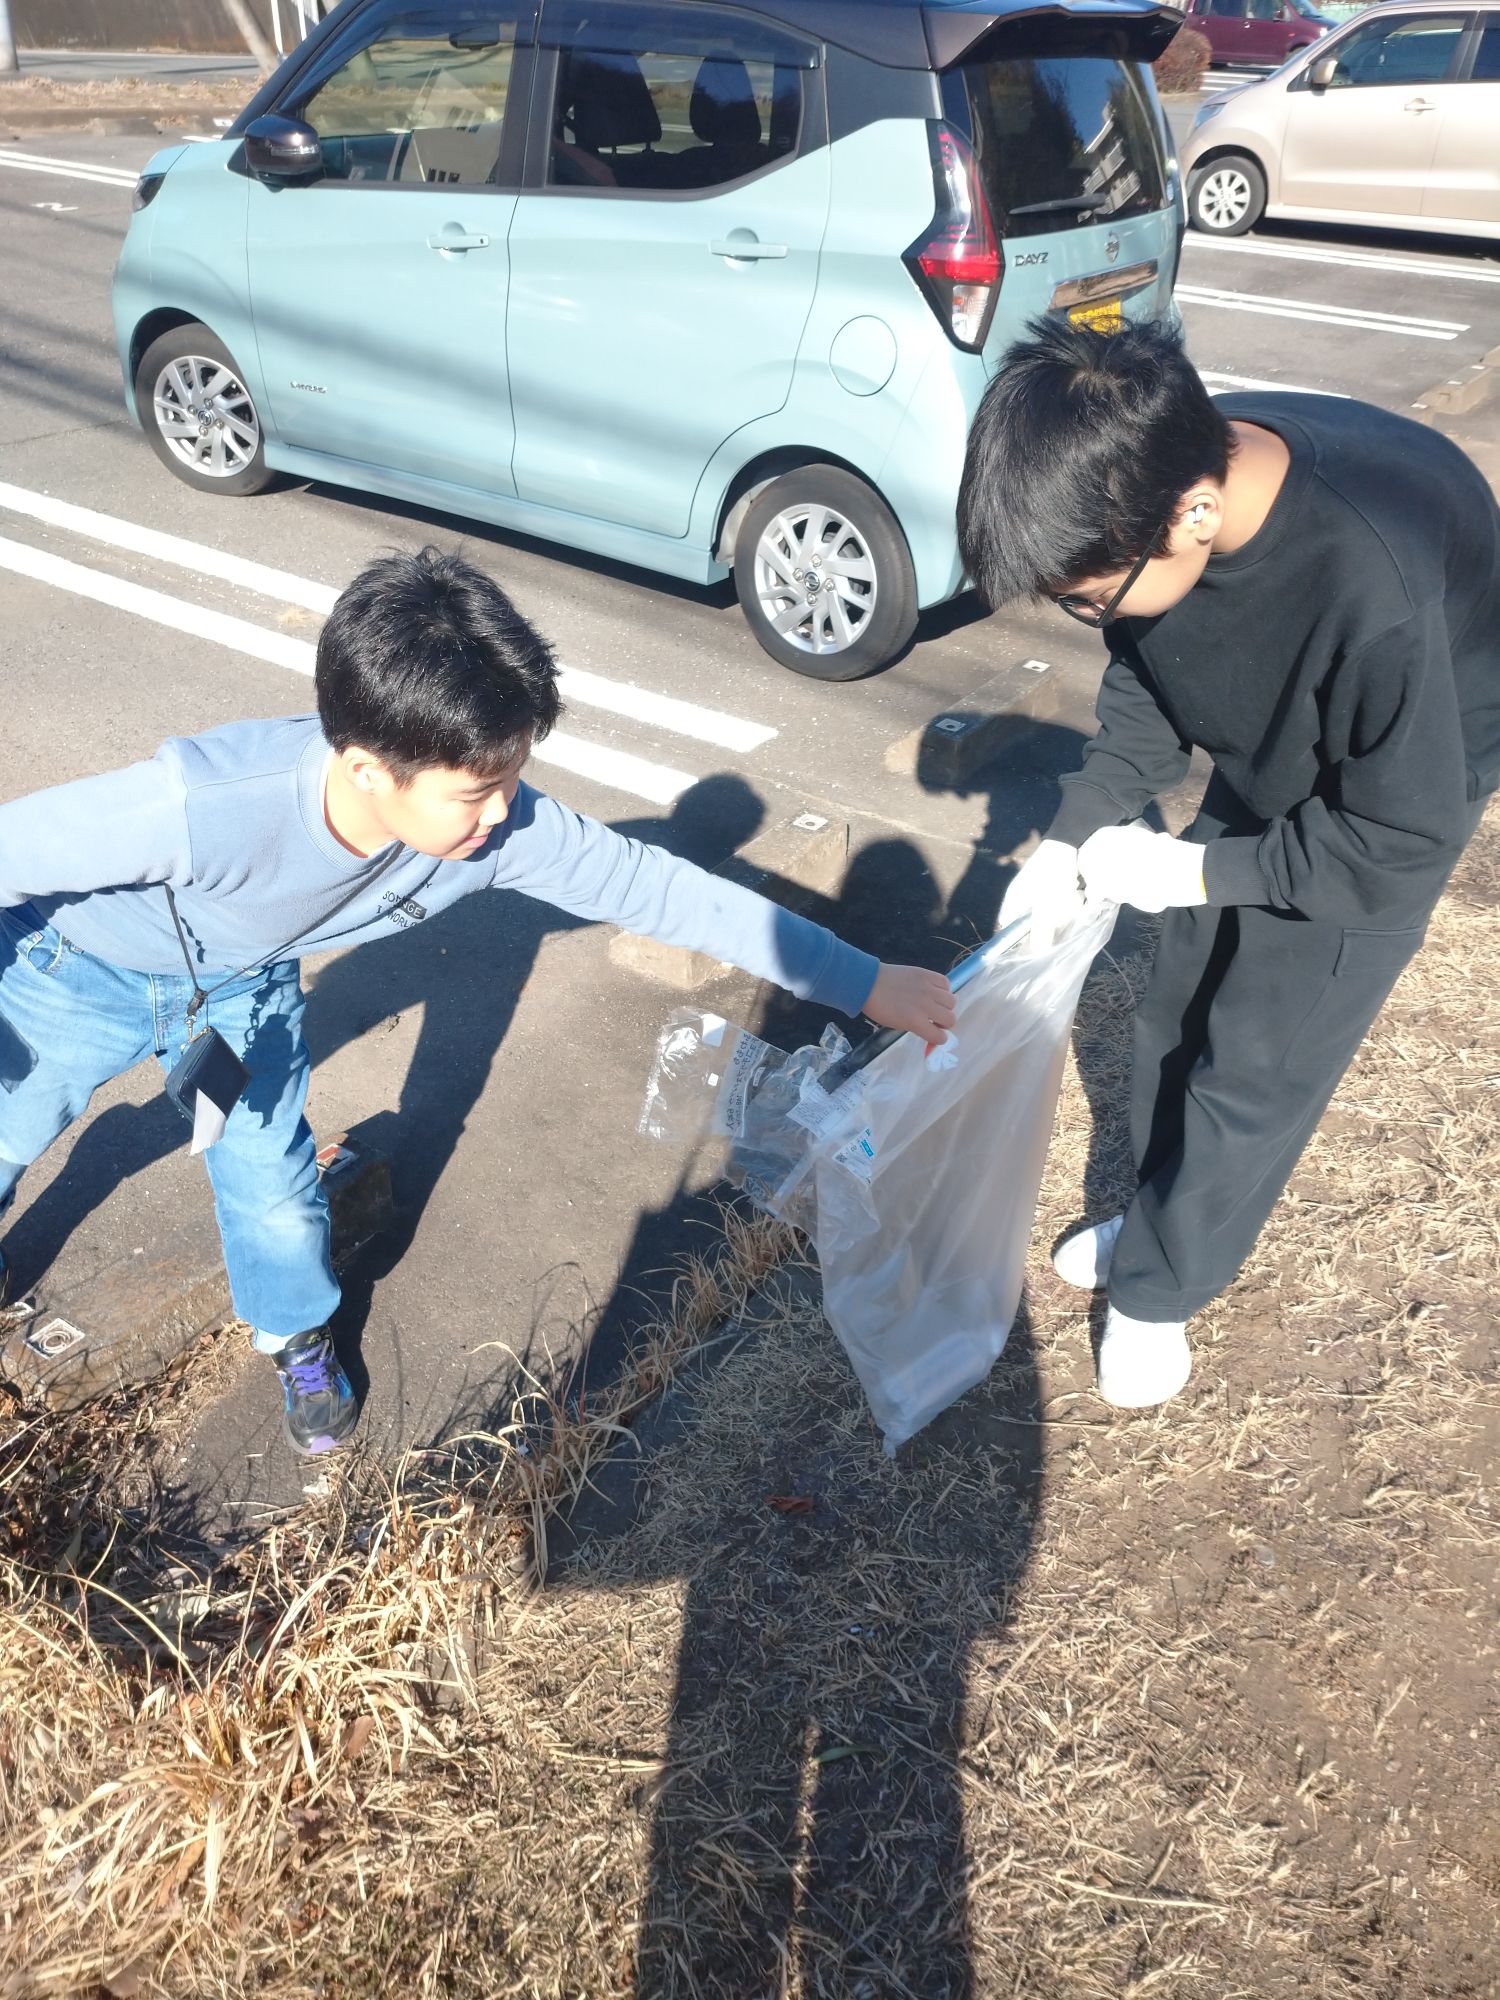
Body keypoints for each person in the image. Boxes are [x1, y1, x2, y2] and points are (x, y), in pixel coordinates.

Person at [0, 549, 954, 1454]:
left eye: (513, 778)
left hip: (244, 989)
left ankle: (294, 1333)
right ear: (368, 769)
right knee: (10, 1125)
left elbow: (661, 888)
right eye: (477, 791)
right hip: (75, 968)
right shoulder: (202, 802)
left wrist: (865, 982)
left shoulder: (498, 830)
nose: (502, 813)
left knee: (271, 1182)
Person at [957, 317, 1500, 1411]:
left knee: (1258, 1063)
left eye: (1086, 597)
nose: (1083, 616)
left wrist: (1195, 873)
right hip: (1284, 739)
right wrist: (1072, 835)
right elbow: (1150, 680)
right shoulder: (1161, 468)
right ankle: (1155, 1218)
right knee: (1178, 1006)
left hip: (1399, 787)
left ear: (1194, 516)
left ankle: (1161, 1291)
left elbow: (1397, 838)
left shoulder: (1373, 580)